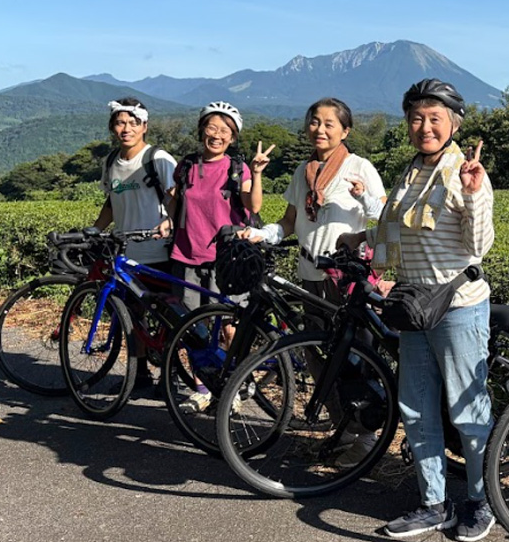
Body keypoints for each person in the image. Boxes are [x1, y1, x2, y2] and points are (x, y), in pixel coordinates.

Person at [340, 78, 496, 542]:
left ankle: (482, 500)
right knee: (416, 408)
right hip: (414, 306)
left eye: (434, 118)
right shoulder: (411, 173)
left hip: (457, 306)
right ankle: (434, 503)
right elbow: (398, 227)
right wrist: (359, 239)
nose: (424, 126)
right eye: (416, 118)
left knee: (467, 410)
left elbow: (478, 246)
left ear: (453, 124)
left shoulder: (465, 173)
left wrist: (473, 193)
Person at [246, 97, 387, 457]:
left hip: (344, 278)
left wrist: (364, 197)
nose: (320, 129)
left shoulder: (359, 167)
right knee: (316, 353)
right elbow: (290, 221)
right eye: (314, 121)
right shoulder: (303, 171)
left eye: (329, 123)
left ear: (345, 131)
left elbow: (385, 215)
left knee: (355, 356)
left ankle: (366, 437)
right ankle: (343, 427)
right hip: (309, 274)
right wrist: (264, 234)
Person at [160, 101, 272, 414]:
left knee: (230, 327)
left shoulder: (237, 168)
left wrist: (257, 173)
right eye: (212, 128)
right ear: (201, 131)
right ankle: (202, 388)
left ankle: (234, 383)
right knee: (194, 329)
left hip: (227, 260)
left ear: (232, 138)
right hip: (187, 255)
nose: (217, 135)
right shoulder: (186, 166)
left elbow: (254, 205)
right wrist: (167, 218)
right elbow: (177, 202)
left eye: (225, 131)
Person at [94, 98, 178, 269]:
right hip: (122, 254)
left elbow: (180, 199)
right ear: (112, 127)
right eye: (120, 123)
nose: (127, 129)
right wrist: (94, 231)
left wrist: (170, 222)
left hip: (158, 253)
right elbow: (112, 202)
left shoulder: (158, 159)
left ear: (144, 127)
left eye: (134, 123)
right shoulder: (110, 161)